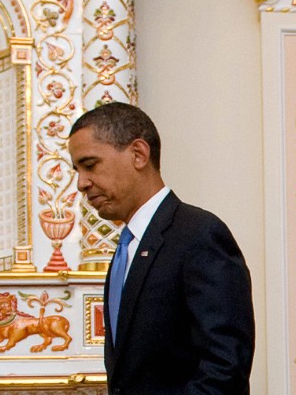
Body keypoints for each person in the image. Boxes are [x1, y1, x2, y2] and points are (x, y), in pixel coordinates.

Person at [67, 102, 255, 394]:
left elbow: (225, 367)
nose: (81, 183)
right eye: (77, 169)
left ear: (138, 154)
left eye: (90, 165)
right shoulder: (126, 248)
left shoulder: (198, 234)